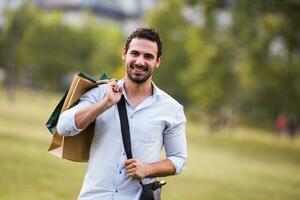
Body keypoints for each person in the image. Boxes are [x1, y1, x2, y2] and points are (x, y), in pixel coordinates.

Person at [57, 27, 187, 200]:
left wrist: (147, 169)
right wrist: (106, 103)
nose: (140, 61)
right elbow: (64, 127)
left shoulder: (172, 109)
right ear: (124, 54)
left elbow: (178, 159)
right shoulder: (100, 93)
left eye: (148, 56)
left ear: (158, 61)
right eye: (135, 53)